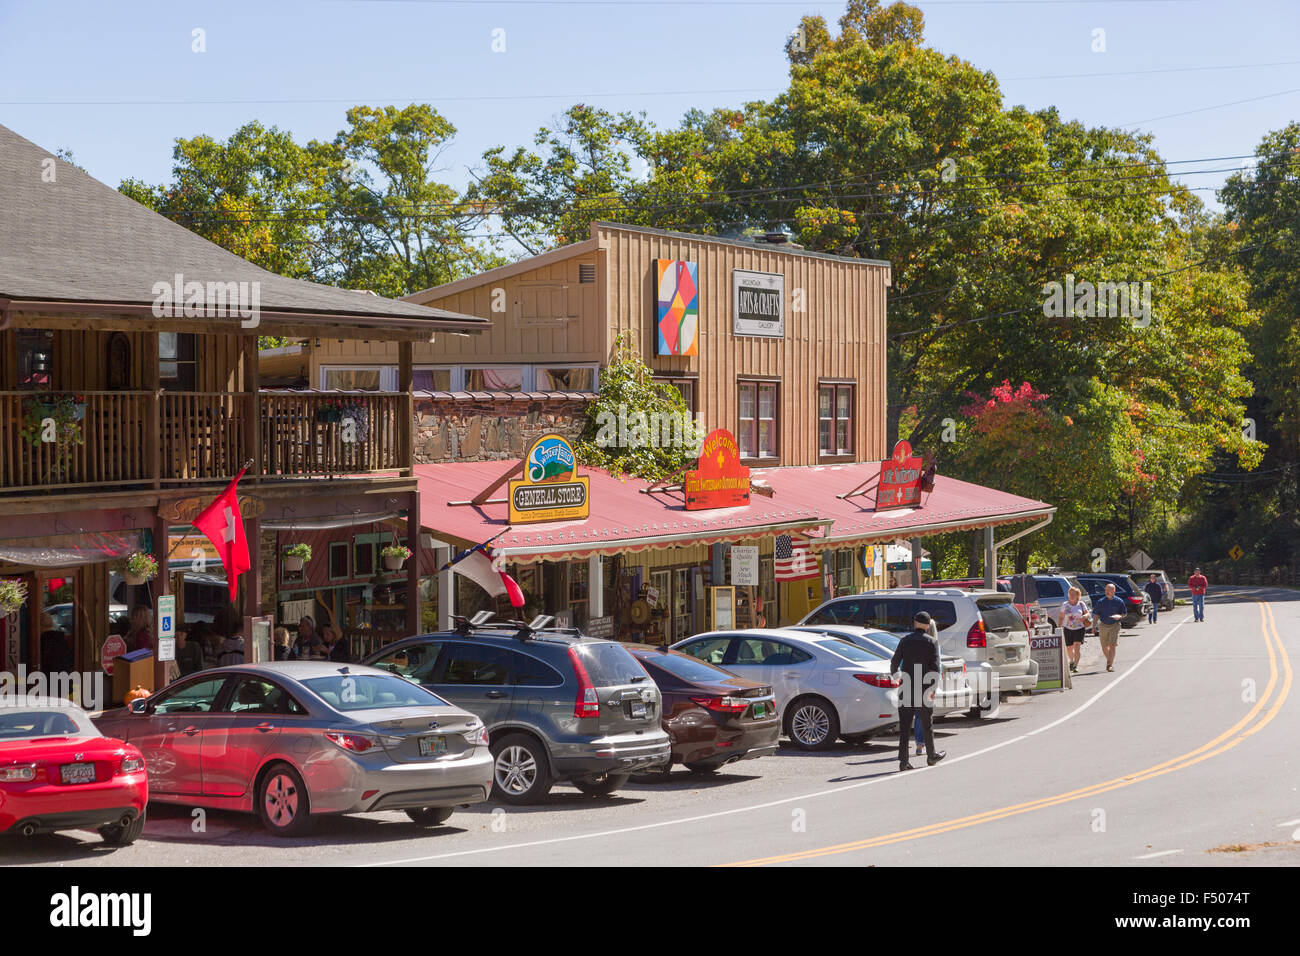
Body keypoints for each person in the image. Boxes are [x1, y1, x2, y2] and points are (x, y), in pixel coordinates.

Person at [890, 610, 946, 771]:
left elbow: (894, 662)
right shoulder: (931, 643)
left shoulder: (905, 640)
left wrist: (897, 678)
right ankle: (931, 755)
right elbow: (935, 669)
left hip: (905, 687)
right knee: (927, 724)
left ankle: (903, 761)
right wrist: (933, 688)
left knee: (905, 726)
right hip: (924, 688)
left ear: (915, 623)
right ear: (928, 626)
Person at [914, 616, 940, 756]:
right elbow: (937, 667)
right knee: (926, 715)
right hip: (927, 683)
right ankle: (922, 745)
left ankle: (919, 744)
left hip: (912, 680)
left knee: (917, 715)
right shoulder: (934, 644)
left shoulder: (913, 642)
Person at [1092, 582, 1128, 673]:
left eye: (1109, 590)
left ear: (1114, 591)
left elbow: (1124, 614)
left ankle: (1109, 664)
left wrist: (1119, 616)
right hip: (1103, 625)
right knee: (1104, 646)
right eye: (1106, 590)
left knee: (1112, 645)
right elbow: (1096, 615)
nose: (1107, 591)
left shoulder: (1119, 601)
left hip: (1115, 625)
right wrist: (1093, 626)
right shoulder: (1101, 602)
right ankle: (1110, 660)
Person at [1059, 587, 1092, 674]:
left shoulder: (1081, 604)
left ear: (1078, 595)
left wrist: (1084, 616)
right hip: (1068, 628)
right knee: (1069, 648)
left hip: (1079, 628)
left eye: (1074, 594)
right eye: (1070, 594)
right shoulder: (1065, 605)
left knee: (1077, 646)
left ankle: (1075, 666)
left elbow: (1088, 613)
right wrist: (1058, 628)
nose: (1072, 596)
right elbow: (1061, 617)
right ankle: (1071, 660)